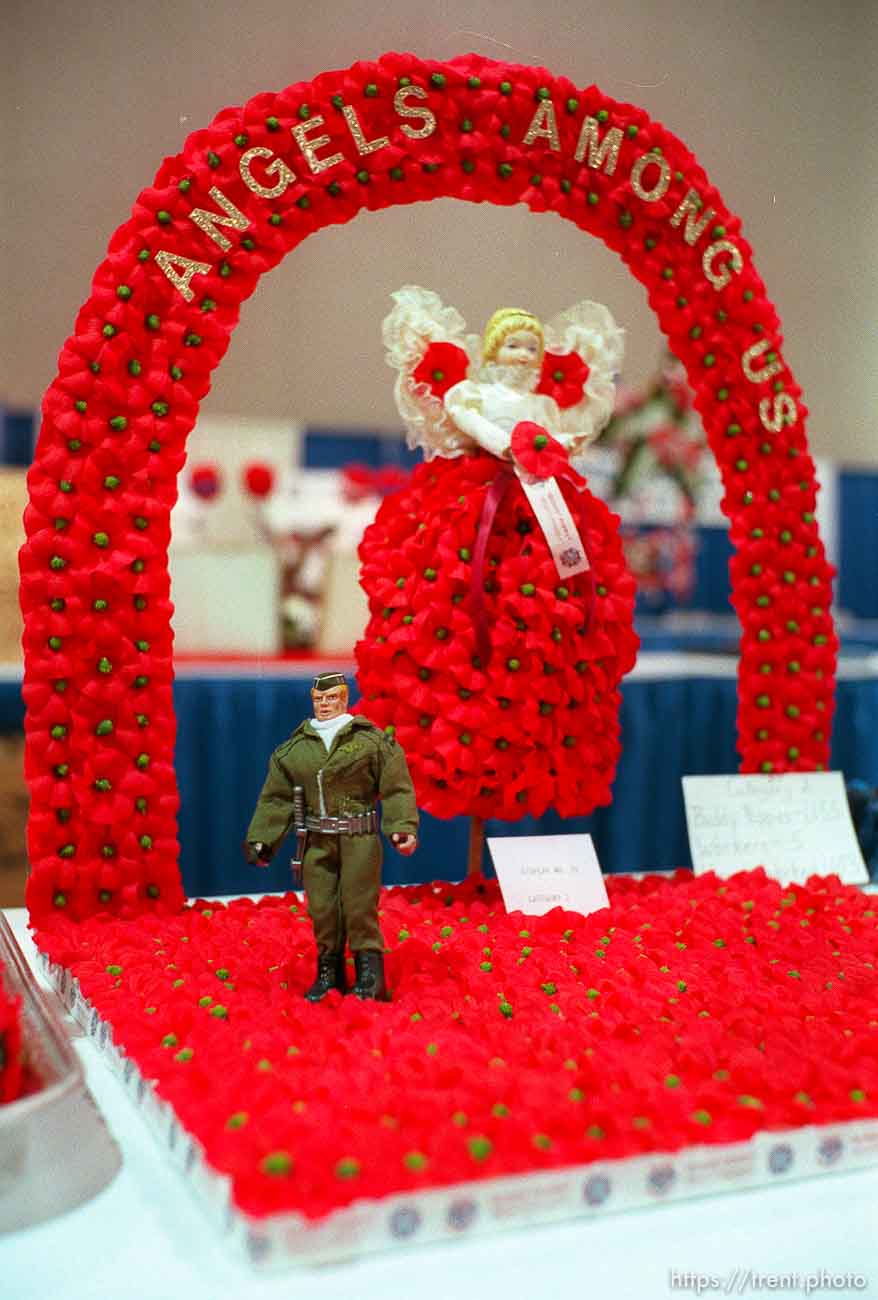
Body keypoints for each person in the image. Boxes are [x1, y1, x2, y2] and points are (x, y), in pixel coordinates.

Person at [354, 289, 639, 825]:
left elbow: (557, 433)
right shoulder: (470, 391)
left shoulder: (545, 403)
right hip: (475, 504)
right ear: (492, 349)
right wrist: (506, 443)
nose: (524, 355)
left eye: (532, 346)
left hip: (542, 504)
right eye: (514, 344)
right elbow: (472, 424)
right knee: (467, 600)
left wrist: (559, 441)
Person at [244, 673, 418, 1002]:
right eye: (319, 700)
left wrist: (401, 827)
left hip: (359, 838)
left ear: (343, 698)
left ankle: (370, 974)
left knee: (358, 905)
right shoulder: (295, 750)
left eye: (331, 699)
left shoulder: (371, 742)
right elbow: (277, 799)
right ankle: (330, 971)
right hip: (317, 841)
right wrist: (263, 840)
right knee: (322, 907)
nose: (325, 705)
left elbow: (396, 787)